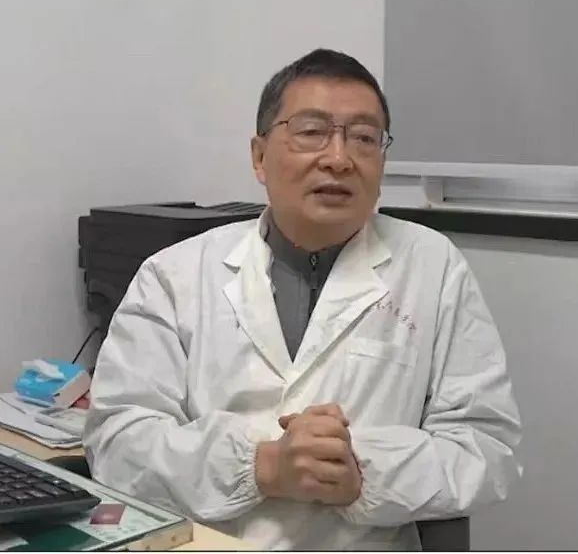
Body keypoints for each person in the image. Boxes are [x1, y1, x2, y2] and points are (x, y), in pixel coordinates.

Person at [84, 48, 522, 550]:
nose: (338, 158)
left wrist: (362, 473)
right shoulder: (174, 275)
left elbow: (486, 448)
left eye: (364, 138)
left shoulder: (433, 266)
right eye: (311, 131)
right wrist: (263, 465)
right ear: (259, 156)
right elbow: (116, 441)